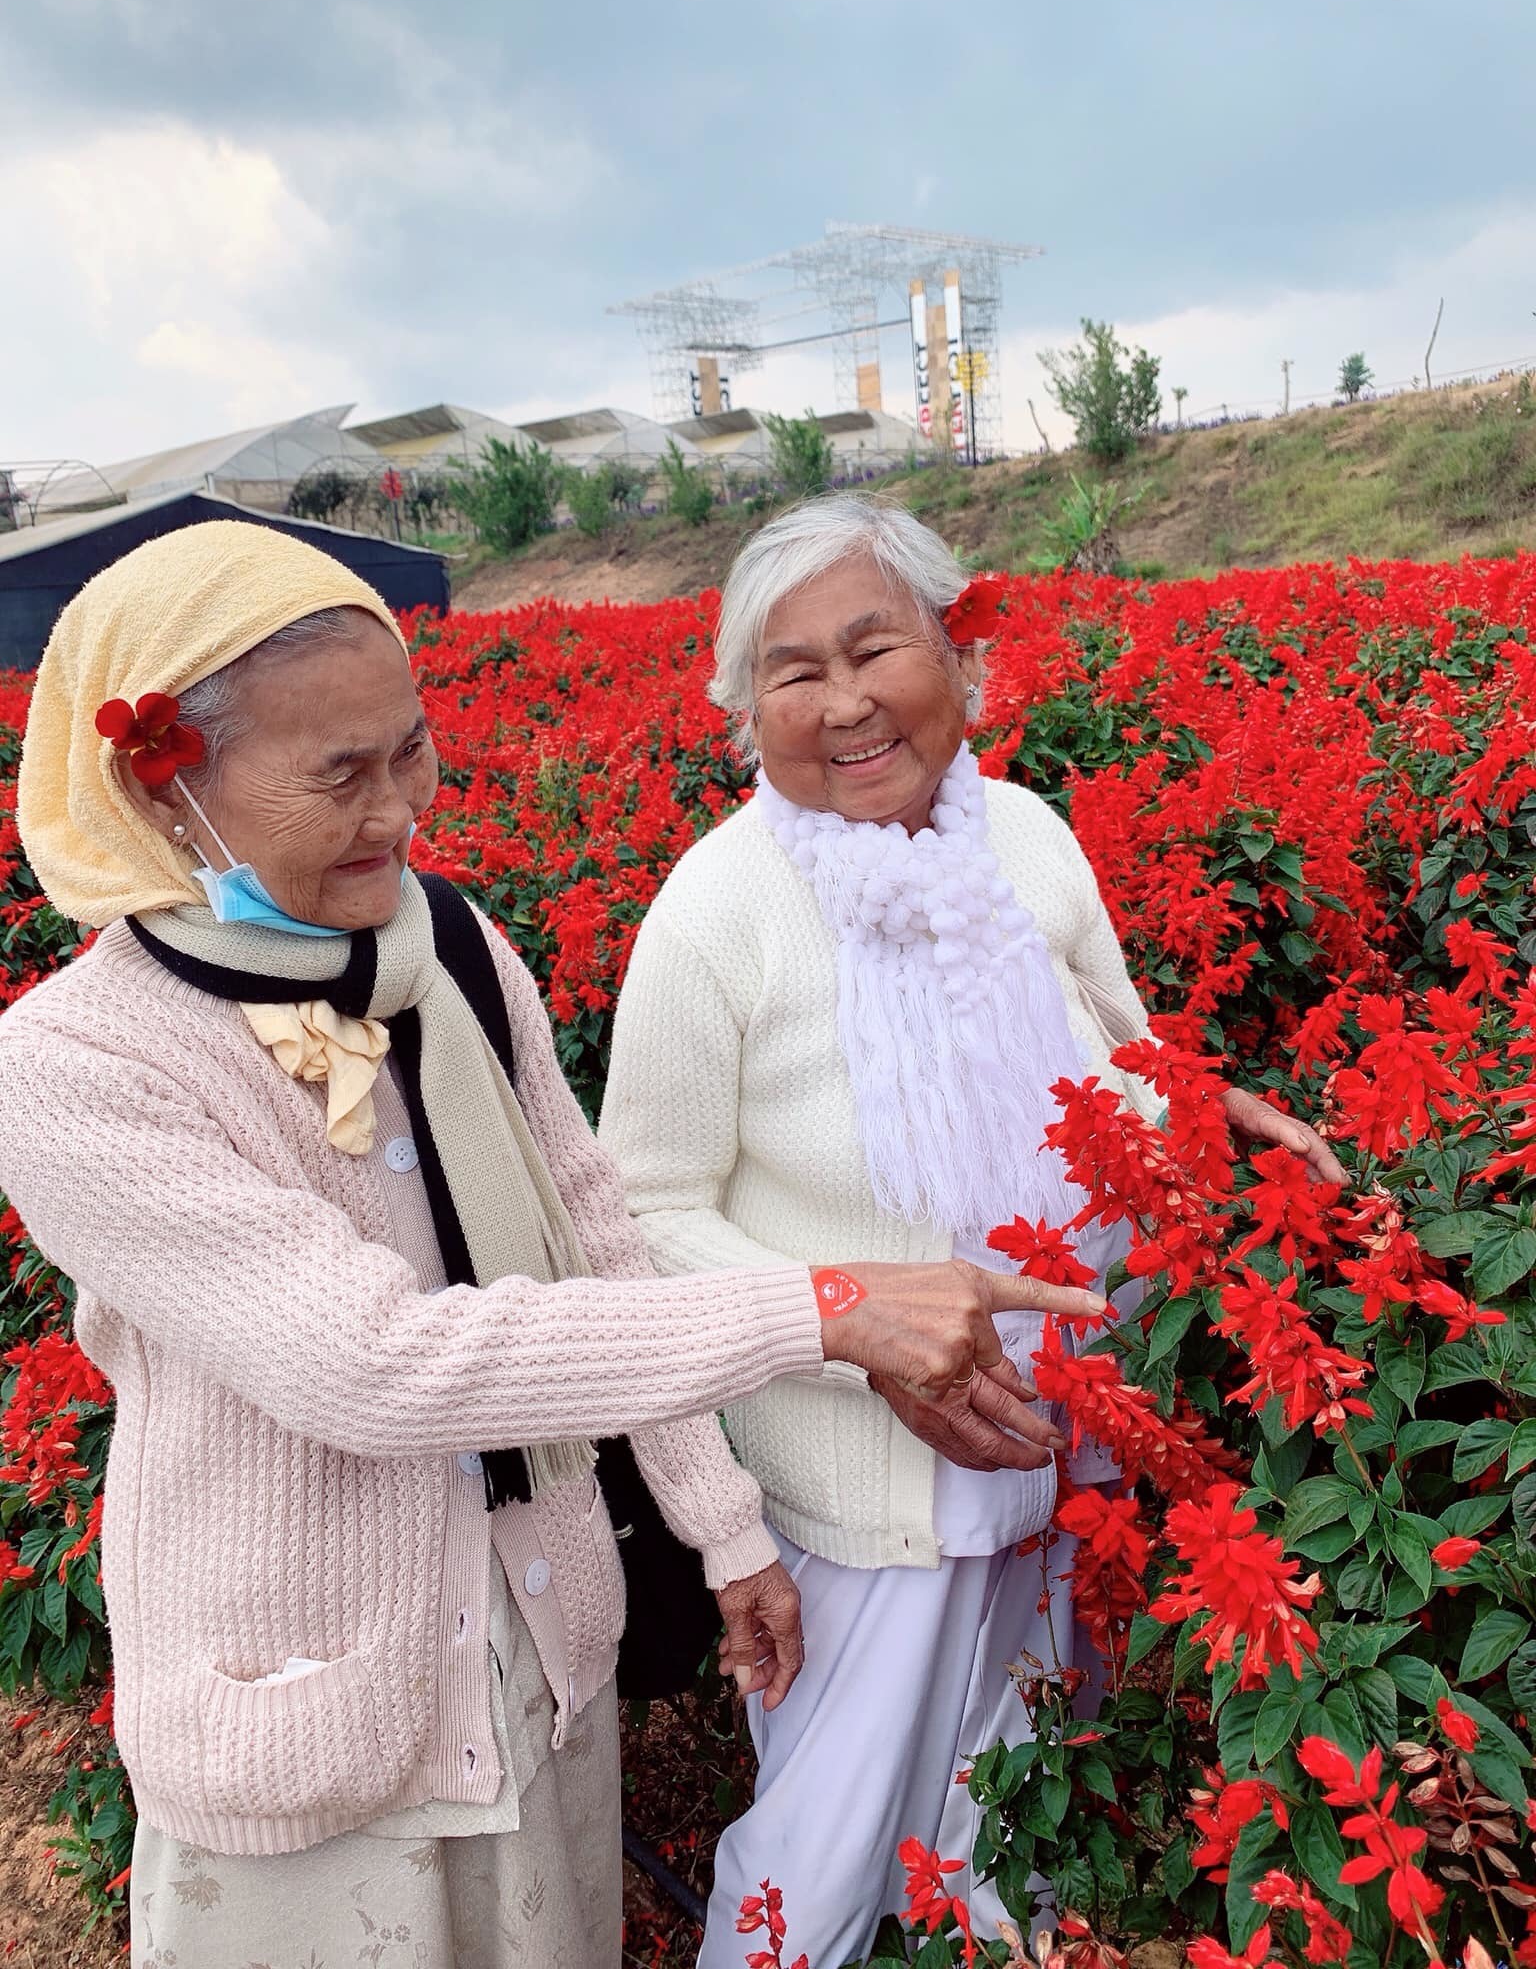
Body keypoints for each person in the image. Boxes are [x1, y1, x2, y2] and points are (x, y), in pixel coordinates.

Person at [0, 520, 1110, 1969]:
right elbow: (372, 1364)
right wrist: (821, 1309)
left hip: (536, 1650)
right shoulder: (75, 1066)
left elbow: (592, 1235)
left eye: (410, 751)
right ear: (166, 786)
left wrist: (719, 1528)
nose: (397, 812)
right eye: (339, 775)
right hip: (316, 1715)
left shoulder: (446, 946)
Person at [598, 495, 1346, 1966]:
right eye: (793, 669)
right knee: (822, 1853)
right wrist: (855, 1320)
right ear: (747, 708)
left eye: (878, 648)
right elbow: (639, 1218)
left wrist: (1213, 1108)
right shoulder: (717, 911)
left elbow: (1118, 1050)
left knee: (1026, 1821)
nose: (846, 700)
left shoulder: (1028, 833)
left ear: (961, 656)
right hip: (868, 1491)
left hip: (1072, 1429)